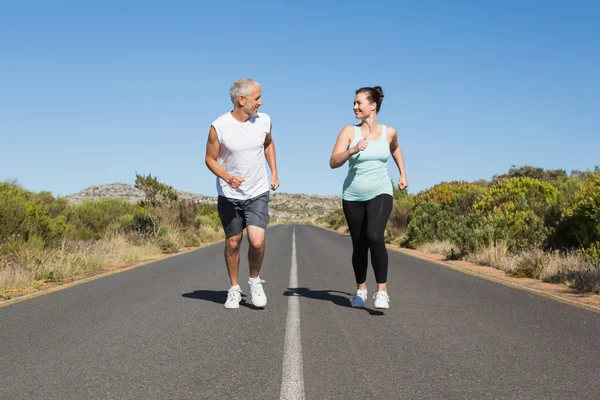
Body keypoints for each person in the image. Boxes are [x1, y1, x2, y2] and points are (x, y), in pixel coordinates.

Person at [329, 86, 408, 309]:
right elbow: (333, 161)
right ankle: (361, 289)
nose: (355, 107)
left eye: (359, 103)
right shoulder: (349, 132)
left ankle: (382, 291)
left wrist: (403, 173)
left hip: (380, 191)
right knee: (359, 244)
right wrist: (352, 150)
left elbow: (396, 149)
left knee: (374, 236)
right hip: (353, 195)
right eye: (354, 103)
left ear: (372, 105)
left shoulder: (389, 132)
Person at [205, 78, 279, 309]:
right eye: (257, 98)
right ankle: (234, 289)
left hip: (257, 191)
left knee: (256, 242)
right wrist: (227, 177)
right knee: (234, 242)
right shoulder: (219, 126)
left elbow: (268, 144)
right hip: (229, 194)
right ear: (241, 100)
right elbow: (210, 159)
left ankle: (254, 280)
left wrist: (274, 172)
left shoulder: (264, 121)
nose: (261, 102)